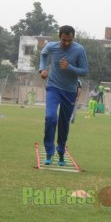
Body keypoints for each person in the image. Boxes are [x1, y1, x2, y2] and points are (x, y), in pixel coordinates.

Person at [39, 25, 88, 166]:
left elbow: (84, 71)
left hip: (70, 91)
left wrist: (70, 67)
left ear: (73, 38)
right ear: (59, 37)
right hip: (53, 87)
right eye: (64, 40)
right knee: (50, 117)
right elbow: (43, 54)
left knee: (63, 123)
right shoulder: (52, 47)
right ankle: (49, 151)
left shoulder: (79, 50)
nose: (66, 43)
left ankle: (61, 151)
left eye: (69, 40)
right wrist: (42, 69)